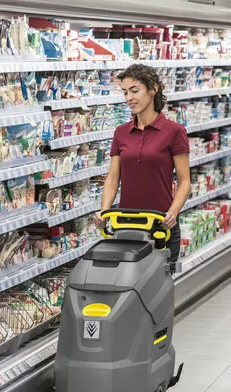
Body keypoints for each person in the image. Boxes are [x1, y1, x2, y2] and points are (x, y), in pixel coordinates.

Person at [93, 64, 191, 263]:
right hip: (125, 224)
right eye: (125, 92)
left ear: (153, 89)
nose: (129, 98)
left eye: (135, 91)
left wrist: (172, 213)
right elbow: (113, 179)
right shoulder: (121, 132)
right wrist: (104, 210)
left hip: (161, 225)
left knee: (157, 290)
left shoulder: (174, 131)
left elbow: (185, 181)